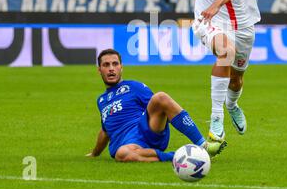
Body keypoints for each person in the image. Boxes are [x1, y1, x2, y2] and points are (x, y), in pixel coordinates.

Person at [121, 0, 261, 144]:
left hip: (242, 21)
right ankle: (216, 121)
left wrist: (218, 2)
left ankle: (232, 104)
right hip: (209, 16)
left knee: (237, 78)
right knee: (226, 51)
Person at [86, 49, 227, 162]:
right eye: (106, 65)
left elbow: (155, 108)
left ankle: (203, 146)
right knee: (122, 154)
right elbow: (105, 131)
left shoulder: (134, 86)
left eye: (115, 64)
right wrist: (94, 153)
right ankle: (185, 156)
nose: (111, 69)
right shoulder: (101, 100)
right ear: (99, 70)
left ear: (121, 67)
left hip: (145, 130)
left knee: (160, 97)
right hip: (125, 145)